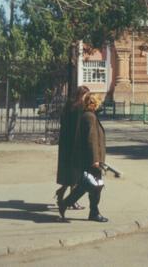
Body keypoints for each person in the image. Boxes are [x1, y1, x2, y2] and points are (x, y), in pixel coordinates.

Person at [58, 92, 107, 222]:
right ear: (94, 103)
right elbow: (91, 140)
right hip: (90, 159)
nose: (100, 104)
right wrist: (95, 159)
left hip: (91, 158)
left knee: (91, 186)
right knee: (90, 186)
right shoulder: (90, 117)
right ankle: (68, 204)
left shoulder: (90, 116)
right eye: (99, 102)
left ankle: (92, 211)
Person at [56, 85, 90, 209]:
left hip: (66, 144)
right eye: (86, 95)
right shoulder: (79, 108)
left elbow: (63, 122)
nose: (88, 97)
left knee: (70, 173)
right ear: (82, 95)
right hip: (75, 145)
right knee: (76, 174)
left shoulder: (69, 105)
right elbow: (78, 128)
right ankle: (71, 201)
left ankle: (61, 193)